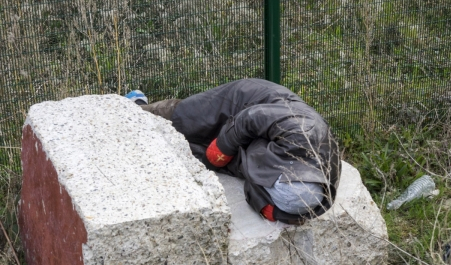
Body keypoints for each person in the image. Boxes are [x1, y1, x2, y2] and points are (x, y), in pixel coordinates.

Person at [125, 79, 341, 225]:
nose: (262, 190)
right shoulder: (305, 130)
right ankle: (133, 109)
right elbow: (251, 117)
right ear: (284, 175)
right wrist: (221, 149)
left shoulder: (315, 189)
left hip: (256, 143)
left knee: (189, 152)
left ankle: (143, 135)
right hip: (246, 103)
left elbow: (300, 210)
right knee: (186, 119)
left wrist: (274, 211)